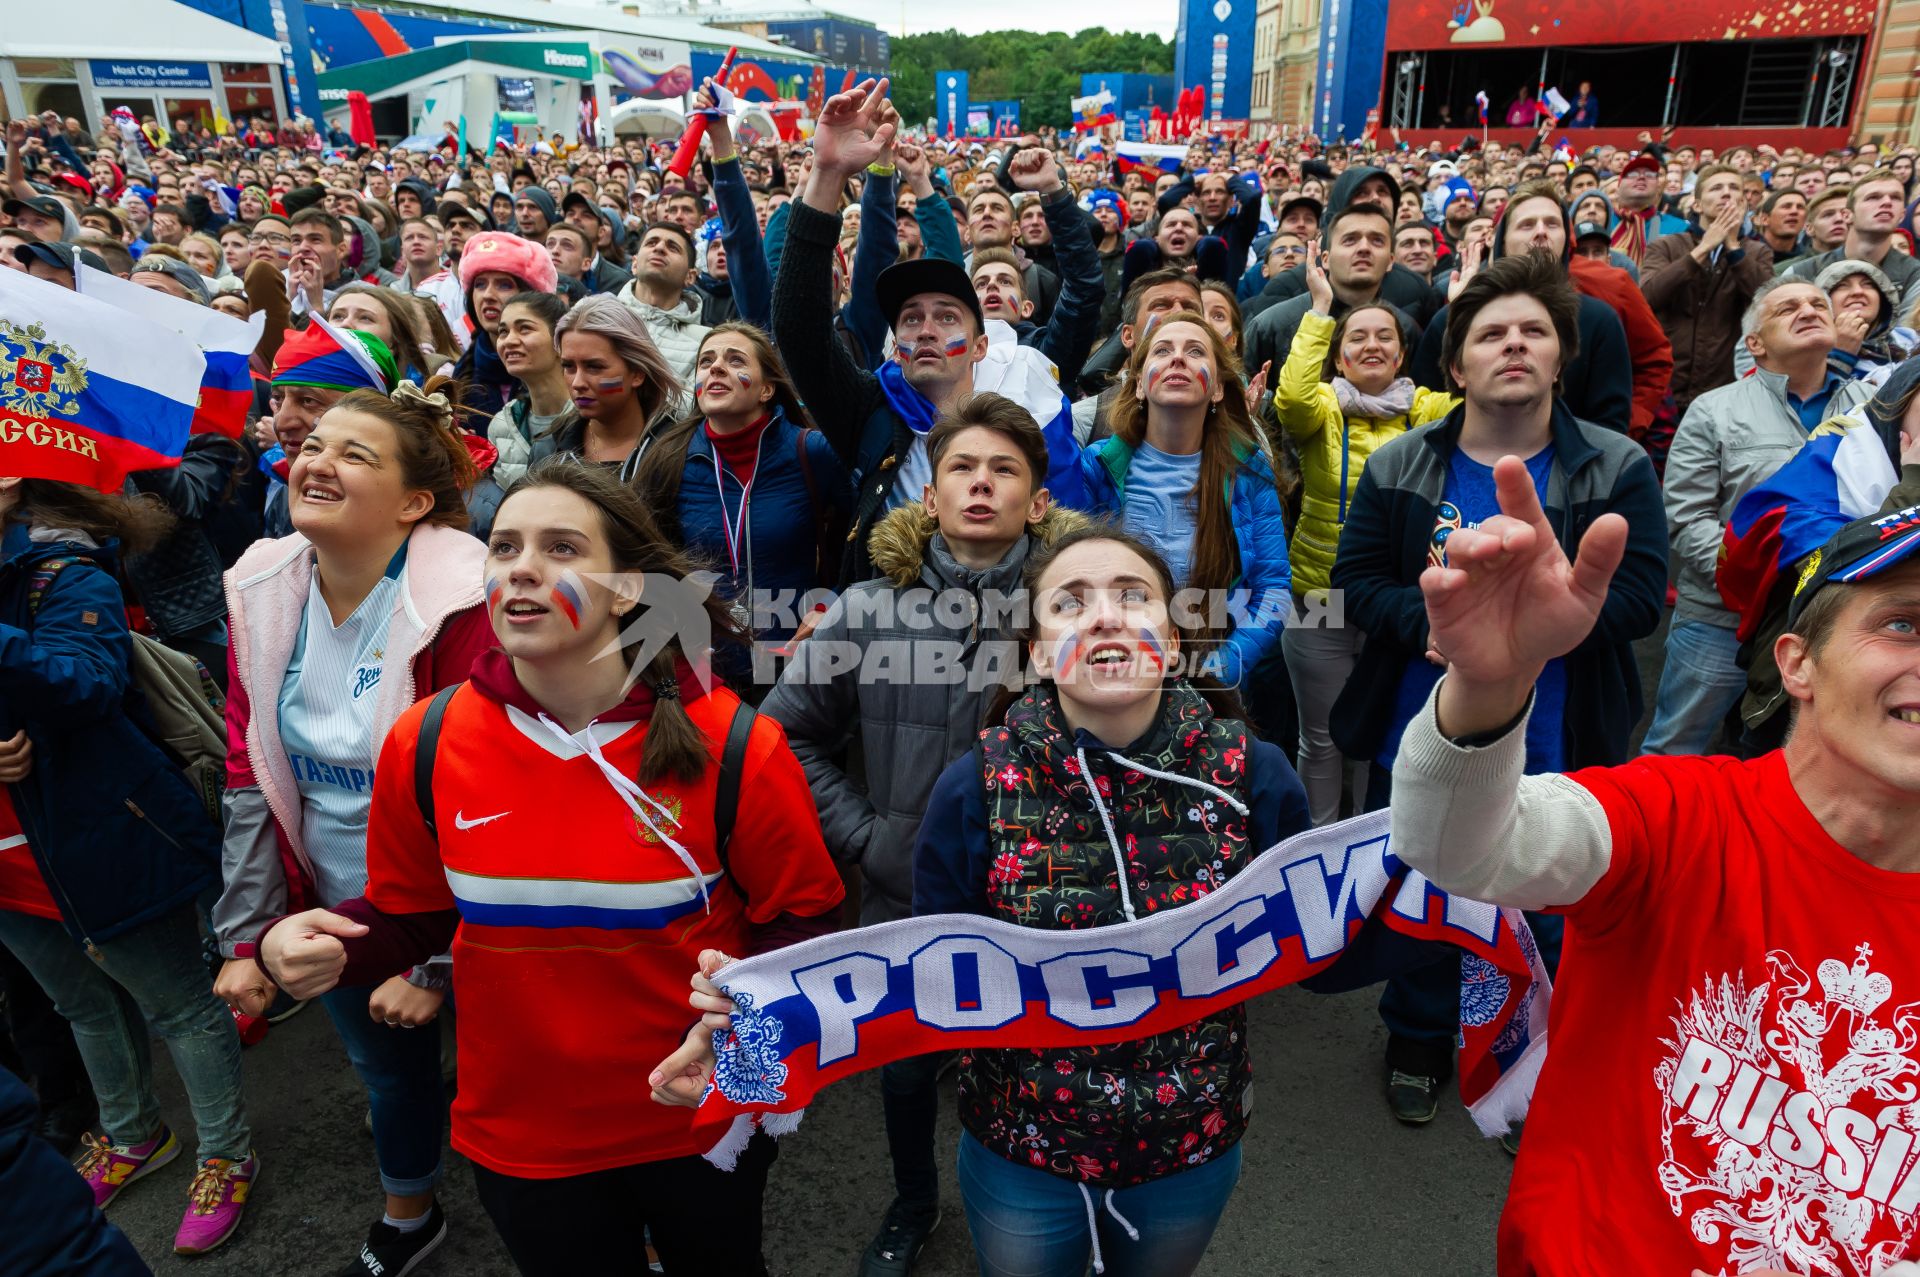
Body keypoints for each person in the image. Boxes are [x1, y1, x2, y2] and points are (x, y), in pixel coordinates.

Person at [258, 459, 845, 1277]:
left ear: (628, 590)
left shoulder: (735, 741)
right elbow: (414, 914)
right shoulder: (425, 740)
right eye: (503, 547)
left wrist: (741, 1048)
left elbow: (803, 926)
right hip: (524, 1135)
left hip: (698, 1117)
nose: (521, 567)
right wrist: (324, 944)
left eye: (562, 548)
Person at [1384, 471, 1920, 1276]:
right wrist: (1489, 686)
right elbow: (1461, 847)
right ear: (1797, 663)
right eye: (1904, 623)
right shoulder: (1683, 814)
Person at [904, 525, 1309, 1277]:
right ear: (1033, 651)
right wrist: (761, 1015)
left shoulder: (1255, 773)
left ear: (1177, 638)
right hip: (1022, 1153)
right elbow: (930, 976)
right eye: (1070, 602)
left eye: (1134, 596)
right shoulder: (974, 787)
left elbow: (1323, 949)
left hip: (1188, 1148)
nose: (1104, 616)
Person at [1329, 251, 1667, 1121]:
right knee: (1427, 883)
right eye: (1490, 333)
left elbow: (1637, 595)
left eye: (1534, 332)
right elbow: (1359, 581)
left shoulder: (1616, 465)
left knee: (1545, 896)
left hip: (1563, 726)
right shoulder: (1402, 461)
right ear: (1455, 364)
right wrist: (1447, 634)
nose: (1512, 345)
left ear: (1563, 357)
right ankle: (1415, 1033)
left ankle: (1524, 1064)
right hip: (1427, 714)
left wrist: (1540, 633)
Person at [763, 393, 1083, 1276]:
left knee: (1035, 1071)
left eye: (1005, 469)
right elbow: (782, 733)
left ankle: (1044, 1213)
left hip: (1047, 901)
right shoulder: (867, 608)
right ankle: (913, 1199)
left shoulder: (1076, 610)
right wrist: (867, 835)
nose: (982, 484)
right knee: (905, 1073)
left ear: (1040, 500)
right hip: (907, 895)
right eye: (962, 469)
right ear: (931, 496)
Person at [212, 378, 492, 1276]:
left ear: (415, 503)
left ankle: (622, 1211)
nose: (317, 460)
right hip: (340, 904)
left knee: (533, 1070)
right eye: (314, 445)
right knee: (389, 1075)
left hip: (476, 911)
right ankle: (411, 1215)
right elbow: (248, 773)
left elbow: (489, 799)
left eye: (353, 453)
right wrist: (248, 936)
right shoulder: (263, 585)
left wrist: (433, 963)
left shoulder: (464, 602)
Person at [0, 477, 259, 1255]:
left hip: (95, 834)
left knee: (177, 1002)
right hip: (9, 863)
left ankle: (224, 1153)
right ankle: (133, 1132)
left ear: (8, 484)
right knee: (79, 1004)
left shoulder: (64, 573)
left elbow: (89, 685)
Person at [772, 80, 1084, 587]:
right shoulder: (871, 413)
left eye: (946, 316)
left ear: (981, 346)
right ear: (895, 347)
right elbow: (798, 329)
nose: (927, 330)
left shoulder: (1023, 421)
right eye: (911, 319)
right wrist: (827, 174)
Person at [1646, 277, 1872, 757]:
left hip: (1828, 622)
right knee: (1677, 747)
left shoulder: (1873, 410)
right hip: (1719, 619)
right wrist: (1758, 581)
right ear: (1756, 344)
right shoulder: (1714, 409)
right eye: (1788, 308)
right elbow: (1686, 515)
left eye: (1817, 304)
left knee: (1793, 758)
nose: (1808, 310)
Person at [1273, 244, 1457, 824]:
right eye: (1356, 339)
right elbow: (1292, 398)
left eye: (1384, 337)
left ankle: (1371, 845)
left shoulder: (1428, 411)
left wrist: (1461, 309)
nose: (1371, 345)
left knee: (1383, 738)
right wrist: (1321, 307)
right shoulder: (1322, 407)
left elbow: (1476, 396)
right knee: (1321, 739)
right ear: (1339, 357)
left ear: (1403, 354)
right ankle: (1317, 846)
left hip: (1394, 604)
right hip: (1318, 599)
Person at [1080, 312, 1293, 693]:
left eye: (1195, 351)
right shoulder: (1097, 466)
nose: (1178, 358)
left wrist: (1223, 668)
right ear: (1141, 385)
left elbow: (1273, 588)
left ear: (1217, 391)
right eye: (1162, 351)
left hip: (1211, 675)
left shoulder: (1248, 471)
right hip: (1115, 667)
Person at [630, 322, 850, 669]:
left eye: (735, 361)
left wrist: (833, 605)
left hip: (796, 662)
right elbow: (645, 559)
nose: (716, 367)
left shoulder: (812, 451)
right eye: (706, 362)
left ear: (766, 389)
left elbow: (865, 537)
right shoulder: (668, 458)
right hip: (705, 668)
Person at [1640, 164, 1777, 418]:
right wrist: (1701, 250)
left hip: (1724, 391)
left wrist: (1734, 249)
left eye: (1734, 188)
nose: (1727, 193)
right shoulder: (1666, 246)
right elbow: (1647, 295)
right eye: (1717, 188)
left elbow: (1769, 302)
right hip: (1666, 387)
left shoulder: (1757, 252)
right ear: (1698, 205)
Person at [470, 291, 574, 539]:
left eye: (524, 329)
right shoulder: (502, 425)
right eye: (503, 332)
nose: (509, 341)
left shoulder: (593, 416)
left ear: (559, 341)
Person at [543, 294, 683, 475]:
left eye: (594, 367)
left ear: (637, 373)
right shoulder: (547, 449)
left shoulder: (680, 451)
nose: (577, 383)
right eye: (568, 366)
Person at [451, 229, 558, 421]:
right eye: (480, 285)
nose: (488, 295)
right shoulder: (463, 372)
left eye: (504, 285)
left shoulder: (562, 366)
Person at [1785, 170, 1920, 314]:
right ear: (1847, 215)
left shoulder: (1914, 276)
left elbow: (1909, 335)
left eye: (1895, 197)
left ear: (1902, 215)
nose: (1887, 202)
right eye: (1873, 197)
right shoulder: (1801, 273)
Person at [614, 220, 712, 387]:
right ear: (635, 264)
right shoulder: (592, 315)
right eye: (651, 243)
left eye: (673, 247)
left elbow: (689, 411)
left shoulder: (705, 342)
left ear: (690, 276)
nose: (659, 248)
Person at [1609, 153, 1689, 269]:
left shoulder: (1679, 228)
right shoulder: (1601, 223)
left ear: (1658, 187)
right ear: (1618, 187)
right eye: (1632, 174)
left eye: (1650, 175)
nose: (1641, 177)